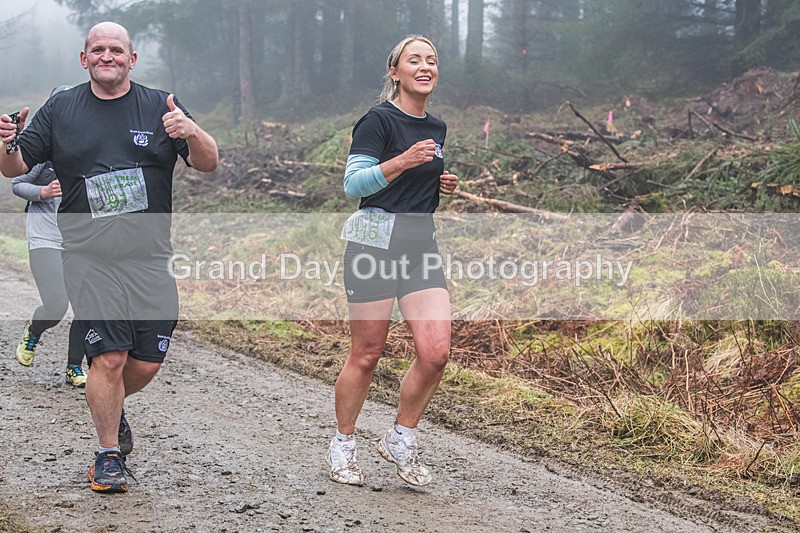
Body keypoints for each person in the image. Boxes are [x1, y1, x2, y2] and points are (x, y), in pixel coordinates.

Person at [0, 22, 218, 494]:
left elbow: (208, 162)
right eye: (97, 49)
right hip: (88, 254)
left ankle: (112, 406)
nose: (107, 56)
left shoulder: (161, 104)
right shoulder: (62, 108)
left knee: (145, 363)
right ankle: (107, 455)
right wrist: (6, 142)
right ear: (84, 60)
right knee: (111, 356)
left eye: (116, 49)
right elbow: (14, 167)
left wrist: (193, 130)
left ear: (132, 59)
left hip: (149, 257)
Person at [329, 35, 459, 487]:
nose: (425, 67)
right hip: (373, 245)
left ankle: (400, 438)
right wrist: (403, 161)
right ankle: (343, 443)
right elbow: (353, 186)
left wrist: (436, 184)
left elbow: (411, 185)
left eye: (432, 61)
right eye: (415, 60)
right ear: (395, 72)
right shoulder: (378, 120)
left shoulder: (437, 126)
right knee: (366, 355)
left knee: (436, 352)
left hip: (420, 244)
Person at [11, 85, 88, 387]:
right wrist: (42, 191)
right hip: (45, 236)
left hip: (80, 239)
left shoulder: (92, 146)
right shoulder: (44, 149)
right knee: (56, 305)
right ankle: (34, 331)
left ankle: (74, 367)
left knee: (88, 306)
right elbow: (17, 183)